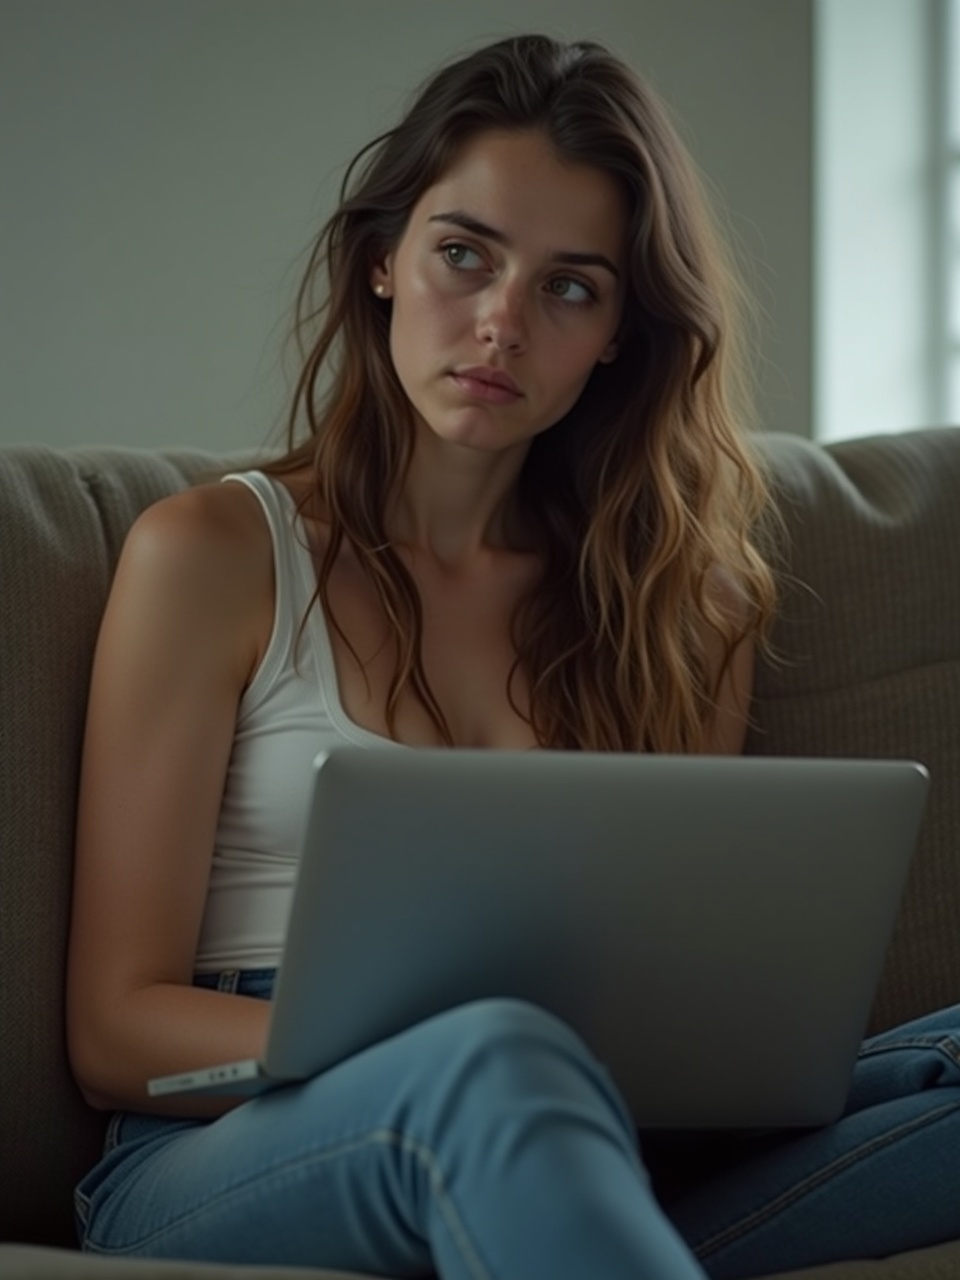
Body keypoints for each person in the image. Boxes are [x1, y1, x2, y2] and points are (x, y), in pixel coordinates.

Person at [66, 33, 960, 1280]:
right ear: (382, 260)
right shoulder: (212, 552)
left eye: (570, 286)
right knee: (498, 1060)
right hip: (236, 1139)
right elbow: (114, 1028)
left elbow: (691, 987)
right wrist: (477, 1053)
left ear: (618, 337)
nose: (500, 323)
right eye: (464, 254)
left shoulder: (684, 599)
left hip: (594, 1122)